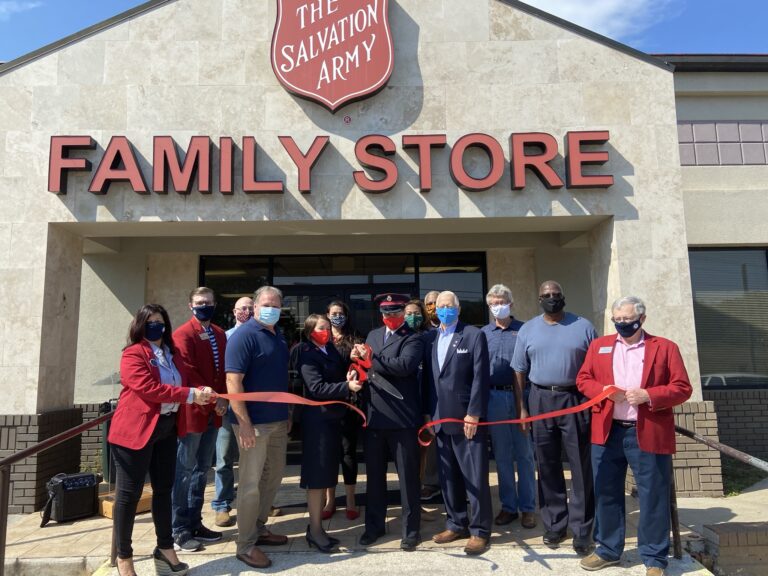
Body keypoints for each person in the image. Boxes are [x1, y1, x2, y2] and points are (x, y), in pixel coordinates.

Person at [576, 296, 692, 576]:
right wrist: (604, 391)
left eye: (627, 319)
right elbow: (583, 379)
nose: (622, 324)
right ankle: (607, 549)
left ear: (642, 319)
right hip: (608, 431)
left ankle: (654, 557)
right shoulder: (599, 346)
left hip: (647, 431)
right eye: (617, 319)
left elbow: (682, 387)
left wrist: (649, 395)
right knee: (606, 491)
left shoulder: (665, 347)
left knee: (653, 495)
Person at [108, 304, 213, 576]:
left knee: (164, 489)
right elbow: (148, 388)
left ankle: (165, 548)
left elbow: (185, 380)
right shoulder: (133, 353)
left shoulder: (172, 353)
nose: (156, 326)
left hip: (166, 429)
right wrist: (190, 395)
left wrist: (200, 389)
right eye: (150, 321)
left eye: (160, 321)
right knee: (129, 495)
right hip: (135, 431)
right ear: (140, 325)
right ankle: (124, 557)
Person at [512, 280, 598, 555]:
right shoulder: (528, 329)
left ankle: (582, 529)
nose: (552, 298)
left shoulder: (583, 327)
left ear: (563, 296)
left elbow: (597, 366)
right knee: (546, 464)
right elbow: (519, 371)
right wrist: (522, 408)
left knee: (580, 466)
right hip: (540, 399)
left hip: (575, 399)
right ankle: (554, 524)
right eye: (546, 295)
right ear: (539, 300)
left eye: (556, 294)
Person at [225, 285, 290, 569]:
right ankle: (245, 545)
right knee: (250, 484)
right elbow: (233, 382)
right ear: (254, 306)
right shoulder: (244, 336)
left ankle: (259, 527)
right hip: (253, 424)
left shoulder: (278, 336)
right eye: (266, 304)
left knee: (273, 476)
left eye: (276, 305)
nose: (271, 309)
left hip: (277, 421)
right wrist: (244, 423)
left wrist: (287, 413)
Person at [424, 290, 492, 556]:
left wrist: (474, 413)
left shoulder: (473, 335)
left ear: (459, 309)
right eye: (440, 306)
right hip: (440, 419)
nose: (444, 310)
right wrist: (429, 415)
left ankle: (480, 530)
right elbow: (431, 380)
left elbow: (480, 377)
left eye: (449, 305)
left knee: (474, 477)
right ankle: (456, 523)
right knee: (448, 477)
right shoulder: (431, 338)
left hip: (466, 420)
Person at [356, 293, 424, 551]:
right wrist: (357, 363)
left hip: (402, 419)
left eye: (395, 313)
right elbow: (365, 368)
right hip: (375, 417)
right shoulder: (373, 335)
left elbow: (404, 366)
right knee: (374, 478)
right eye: (386, 313)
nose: (390, 317)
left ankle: (411, 530)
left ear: (403, 313)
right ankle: (374, 527)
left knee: (407, 479)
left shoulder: (413, 338)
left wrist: (370, 359)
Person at [297, 314, 363, 552]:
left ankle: (318, 530)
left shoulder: (330, 349)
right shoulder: (306, 353)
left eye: (327, 327)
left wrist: (350, 371)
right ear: (309, 331)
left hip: (334, 420)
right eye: (321, 328)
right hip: (318, 423)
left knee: (327, 473)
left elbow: (340, 371)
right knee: (317, 477)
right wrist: (346, 386)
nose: (326, 331)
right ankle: (315, 530)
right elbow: (316, 387)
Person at [171, 287, 229, 552]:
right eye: (199, 302)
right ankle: (178, 528)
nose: (204, 306)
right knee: (183, 470)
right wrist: (208, 393)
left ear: (214, 304)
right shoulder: (183, 334)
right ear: (190, 305)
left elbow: (223, 370)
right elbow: (187, 368)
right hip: (193, 411)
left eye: (208, 302)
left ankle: (195, 522)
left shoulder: (219, 333)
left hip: (213, 412)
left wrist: (222, 397)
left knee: (202, 469)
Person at [481, 284, 537, 529]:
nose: (498, 306)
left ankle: (528, 508)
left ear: (511, 304)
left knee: (524, 454)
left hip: (521, 397)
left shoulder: (525, 330)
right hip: (494, 398)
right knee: (502, 456)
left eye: (502, 302)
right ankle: (508, 506)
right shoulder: (483, 333)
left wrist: (526, 404)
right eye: (493, 303)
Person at [212, 296, 253, 527]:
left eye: (250, 308)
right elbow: (220, 373)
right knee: (224, 457)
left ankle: (257, 502)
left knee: (255, 458)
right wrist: (221, 397)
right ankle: (222, 505)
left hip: (254, 406)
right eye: (242, 308)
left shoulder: (261, 335)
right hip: (229, 407)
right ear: (234, 311)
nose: (246, 311)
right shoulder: (225, 338)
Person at [322, 300, 362, 521]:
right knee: (330, 452)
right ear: (327, 315)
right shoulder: (321, 338)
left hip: (348, 403)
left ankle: (350, 500)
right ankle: (330, 500)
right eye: (334, 313)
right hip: (326, 402)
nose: (338, 316)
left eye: (341, 313)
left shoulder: (355, 338)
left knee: (348, 453)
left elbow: (362, 366)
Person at [404, 299, 441, 502]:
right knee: (410, 450)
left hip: (427, 398)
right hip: (406, 403)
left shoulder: (431, 336)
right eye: (408, 313)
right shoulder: (400, 336)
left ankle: (429, 483)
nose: (413, 317)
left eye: (416, 313)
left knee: (429, 446)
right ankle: (412, 488)